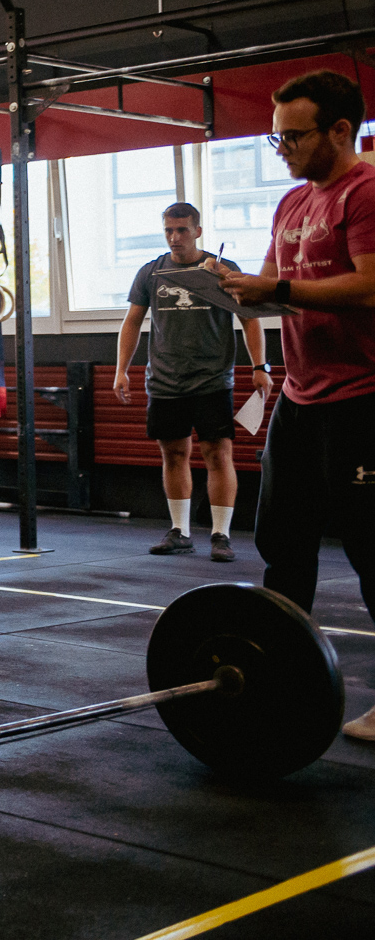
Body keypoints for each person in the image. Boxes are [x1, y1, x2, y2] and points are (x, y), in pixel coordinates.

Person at [214, 69, 375, 742]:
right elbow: (283, 292)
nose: (281, 149)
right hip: (303, 396)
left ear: (340, 130)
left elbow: (368, 287)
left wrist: (275, 286)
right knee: (284, 549)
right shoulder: (290, 204)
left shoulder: (366, 192)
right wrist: (235, 289)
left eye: (292, 137)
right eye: (274, 137)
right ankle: (279, 678)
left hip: (366, 400)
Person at [112, 203, 270, 563]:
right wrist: (122, 369)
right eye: (169, 230)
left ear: (198, 231)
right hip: (166, 381)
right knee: (173, 454)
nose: (175, 237)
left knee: (218, 454)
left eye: (182, 230)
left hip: (212, 379)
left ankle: (221, 534)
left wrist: (259, 365)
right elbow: (132, 322)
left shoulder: (221, 269)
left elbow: (249, 319)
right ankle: (180, 531)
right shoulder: (151, 272)